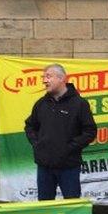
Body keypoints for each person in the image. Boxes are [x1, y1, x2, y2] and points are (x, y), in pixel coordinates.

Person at [24, 64, 97, 200]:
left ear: (62, 78)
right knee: (45, 206)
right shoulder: (41, 104)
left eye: (48, 76)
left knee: (71, 205)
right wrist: (37, 144)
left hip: (69, 166)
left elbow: (90, 132)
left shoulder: (79, 104)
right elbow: (29, 126)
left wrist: (69, 147)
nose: (44, 80)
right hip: (44, 167)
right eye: (43, 77)